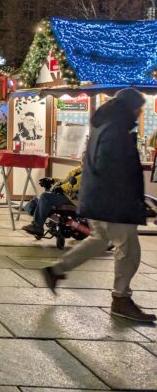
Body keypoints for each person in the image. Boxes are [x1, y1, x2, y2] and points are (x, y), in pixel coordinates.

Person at [42, 88, 155, 323]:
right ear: (130, 108)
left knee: (99, 240)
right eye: (139, 107)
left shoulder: (103, 126)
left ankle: (57, 270)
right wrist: (133, 200)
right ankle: (121, 299)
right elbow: (116, 170)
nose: (140, 112)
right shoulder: (116, 131)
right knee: (129, 249)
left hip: (97, 198)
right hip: (114, 202)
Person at [21, 167, 81, 238]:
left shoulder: (90, 172)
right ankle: (39, 221)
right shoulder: (78, 170)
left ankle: (37, 226)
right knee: (37, 200)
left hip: (74, 199)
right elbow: (65, 181)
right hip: (66, 195)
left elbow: (79, 184)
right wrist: (52, 180)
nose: (83, 160)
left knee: (45, 197)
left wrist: (62, 188)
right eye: (83, 157)